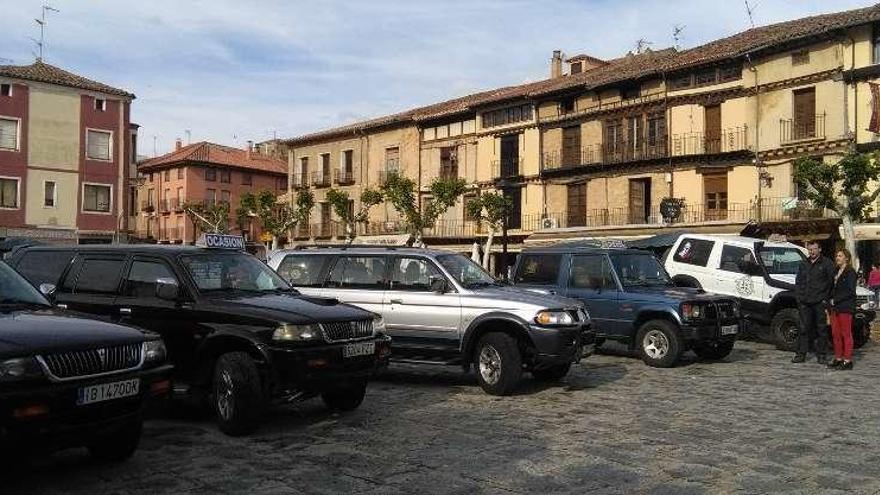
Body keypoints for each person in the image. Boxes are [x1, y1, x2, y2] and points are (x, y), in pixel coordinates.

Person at [793, 240, 835, 364]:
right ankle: (801, 354)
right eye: (810, 249)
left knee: (821, 329)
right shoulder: (803, 263)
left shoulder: (827, 263)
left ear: (819, 249)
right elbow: (798, 281)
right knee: (803, 328)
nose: (812, 251)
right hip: (805, 302)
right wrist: (799, 298)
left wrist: (825, 298)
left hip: (819, 301)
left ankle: (822, 355)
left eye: (814, 249)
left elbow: (831, 283)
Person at [828, 249, 857, 370]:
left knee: (846, 333)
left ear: (846, 258)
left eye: (840, 256)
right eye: (836, 255)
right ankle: (838, 357)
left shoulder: (850, 272)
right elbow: (832, 287)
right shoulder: (835, 271)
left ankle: (847, 360)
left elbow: (850, 291)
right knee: (835, 334)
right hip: (834, 307)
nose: (837, 258)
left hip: (845, 306)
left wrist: (837, 299)